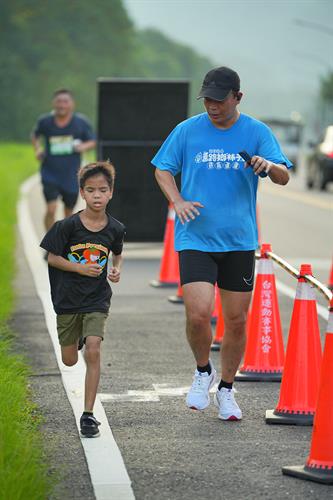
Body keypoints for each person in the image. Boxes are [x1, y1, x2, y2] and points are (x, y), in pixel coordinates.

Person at [152, 66, 291, 421]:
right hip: (196, 237)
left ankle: (227, 389)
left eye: (219, 100)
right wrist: (177, 200)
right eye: (207, 100)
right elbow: (162, 169)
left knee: (236, 320)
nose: (212, 106)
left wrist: (268, 165)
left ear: (237, 97)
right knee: (198, 315)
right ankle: (203, 371)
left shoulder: (256, 132)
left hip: (239, 241)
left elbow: (284, 175)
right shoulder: (188, 130)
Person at [40, 161, 125, 437]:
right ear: (82, 193)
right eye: (91, 190)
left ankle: (88, 415)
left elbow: (117, 252)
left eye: (102, 190)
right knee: (69, 361)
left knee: (93, 349)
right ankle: (76, 339)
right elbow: (51, 258)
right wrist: (79, 267)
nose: (97, 195)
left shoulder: (115, 228)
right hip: (67, 300)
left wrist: (116, 269)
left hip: (97, 300)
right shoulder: (66, 227)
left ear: (111, 192)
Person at [32, 89, 96, 231]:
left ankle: (64, 243)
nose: (62, 105)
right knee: (51, 209)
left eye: (65, 101)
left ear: (72, 104)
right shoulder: (45, 121)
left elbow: (93, 140)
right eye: (59, 101)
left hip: (71, 175)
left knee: (68, 214)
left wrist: (83, 146)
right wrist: (37, 149)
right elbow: (35, 135)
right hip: (49, 172)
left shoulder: (80, 123)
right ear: (53, 103)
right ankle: (50, 243)